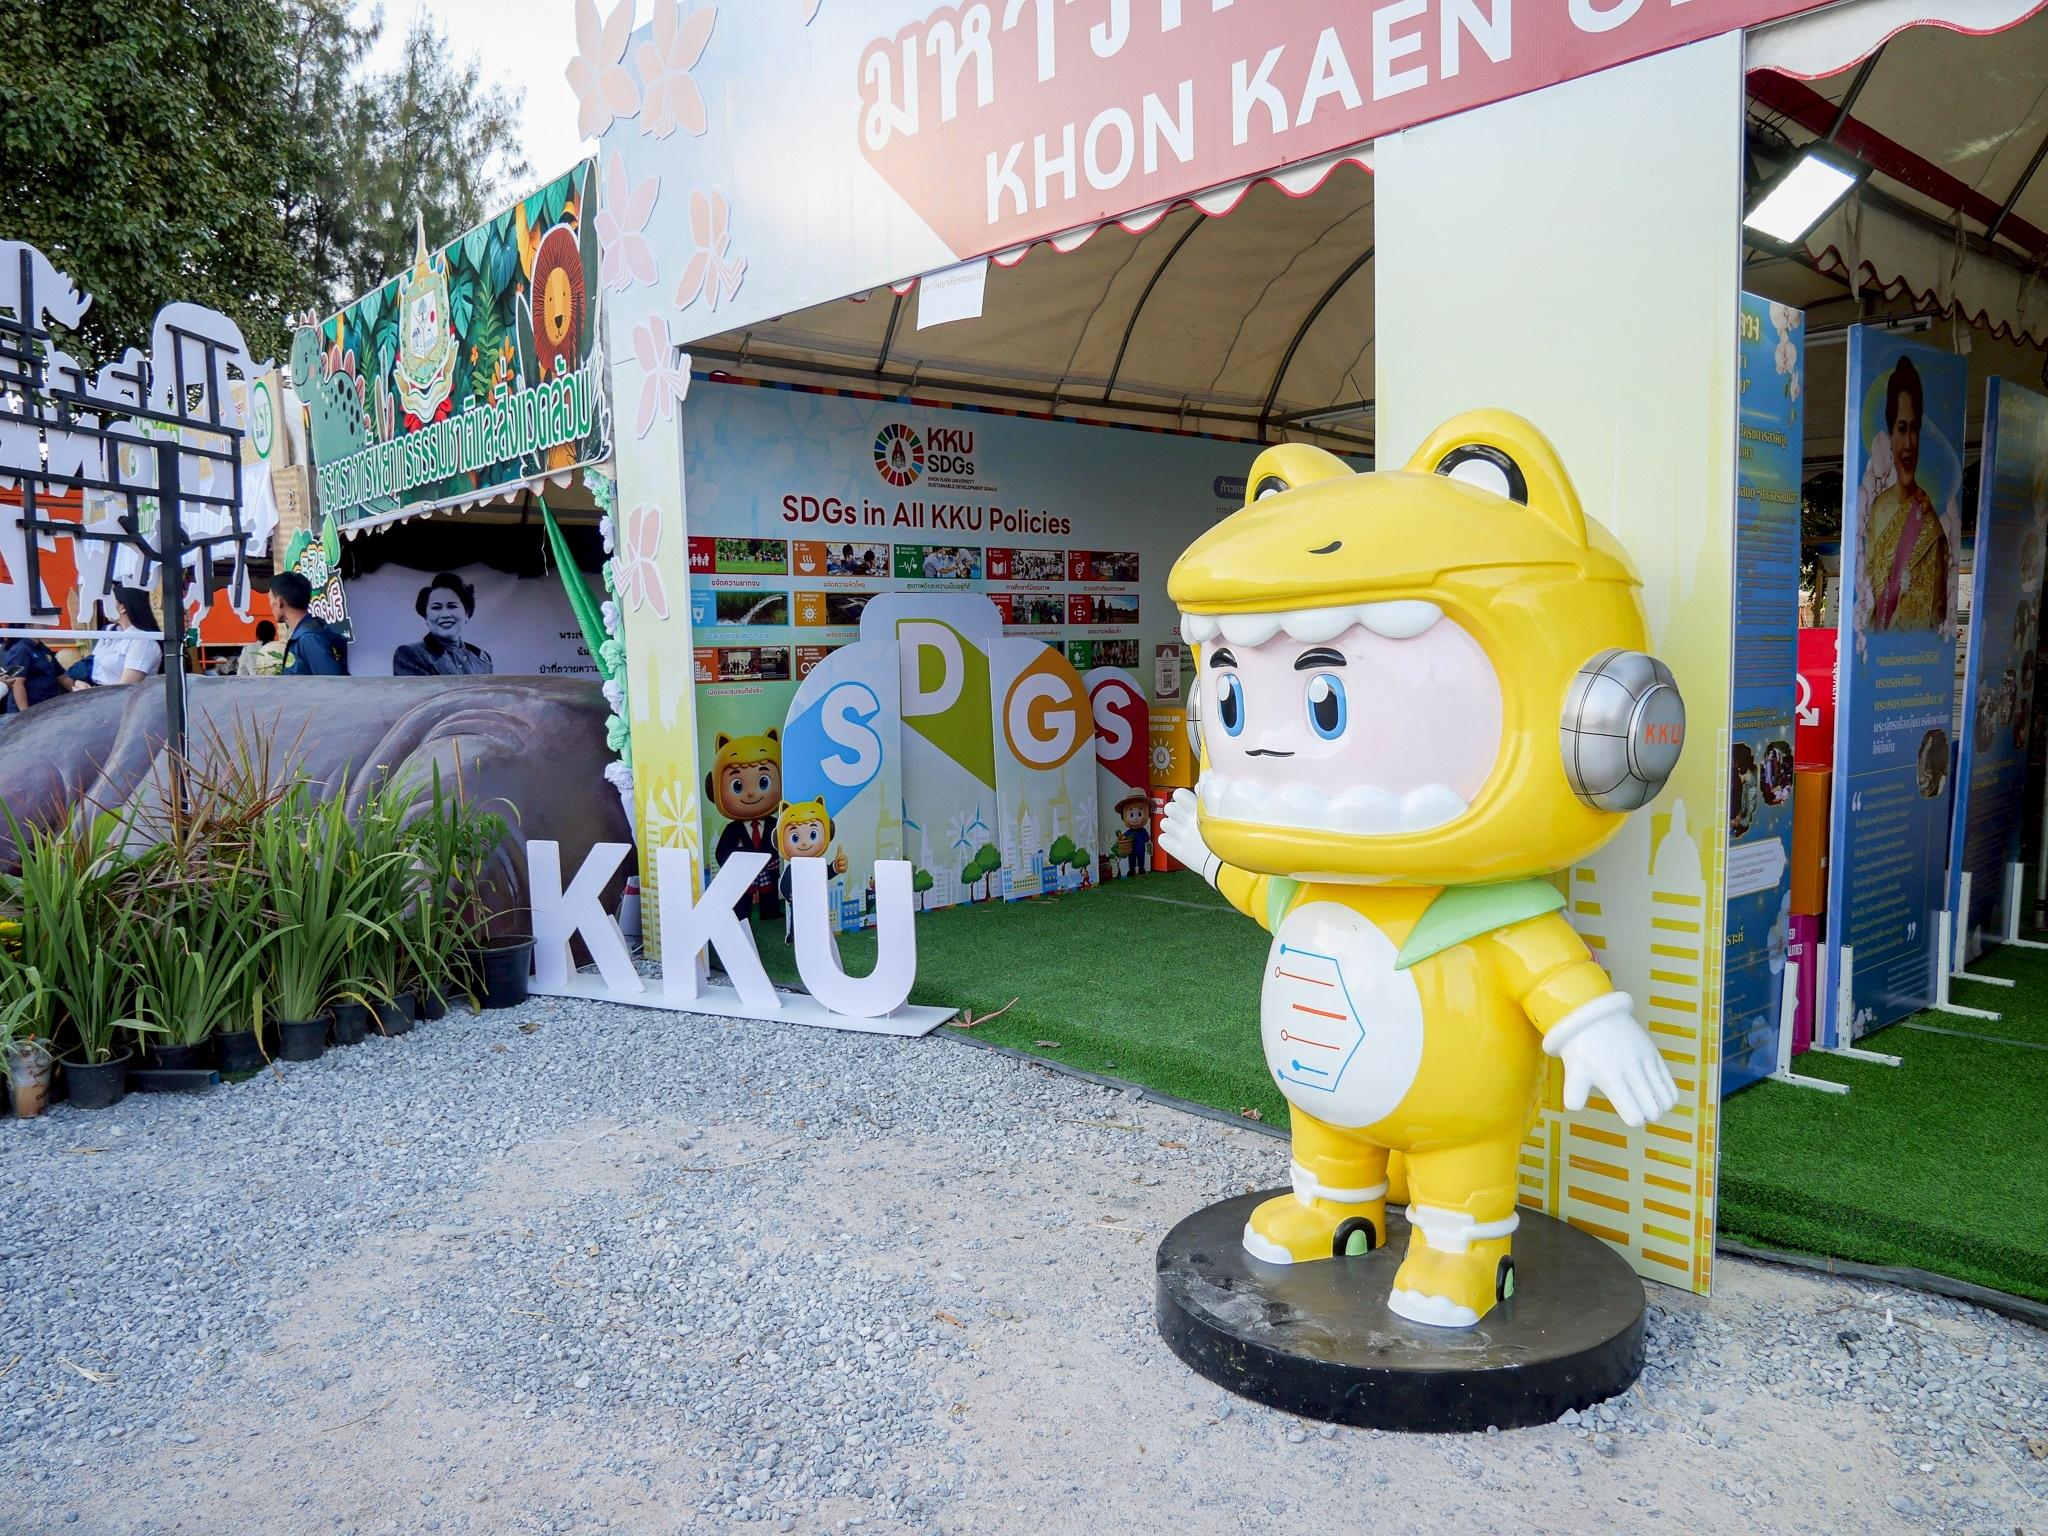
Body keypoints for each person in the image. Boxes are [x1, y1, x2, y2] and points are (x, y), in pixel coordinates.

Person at [1862, 358, 1951, 633]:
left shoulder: (1930, 528)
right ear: (1889, 435)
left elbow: (1935, 614)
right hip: (1879, 647)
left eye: (1915, 429)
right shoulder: (1877, 509)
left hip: (1913, 653)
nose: (1909, 443)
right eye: (1902, 429)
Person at [392, 571, 493, 676]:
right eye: (436, 607)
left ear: (467, 614)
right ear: (426, 616)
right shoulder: (410, 654)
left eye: (452, 606)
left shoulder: (482, 657)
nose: (445, 614)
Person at [82, 586, 164, 687]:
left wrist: (90, 692)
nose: (105, 606)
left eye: (109, 601)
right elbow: (93, 665)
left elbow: (126, 687)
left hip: (117, 695)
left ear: (122, 608)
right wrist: (78, 683)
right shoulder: (109, 630)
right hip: (95, 691)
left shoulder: (143, 641)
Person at [272, 571, 350, 676]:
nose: (269, 604)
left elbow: (332, 683)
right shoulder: (309, 632)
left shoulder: (309, 638)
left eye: (270, 598)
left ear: (279, 602)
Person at [1, 636, 68, 714]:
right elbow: (17, 683)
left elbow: (61, 676)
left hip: (48, 707)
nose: (47, 629)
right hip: (31, 710)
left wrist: (77, 691)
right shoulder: (21, 649)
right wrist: (25, 713)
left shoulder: (43, 648)